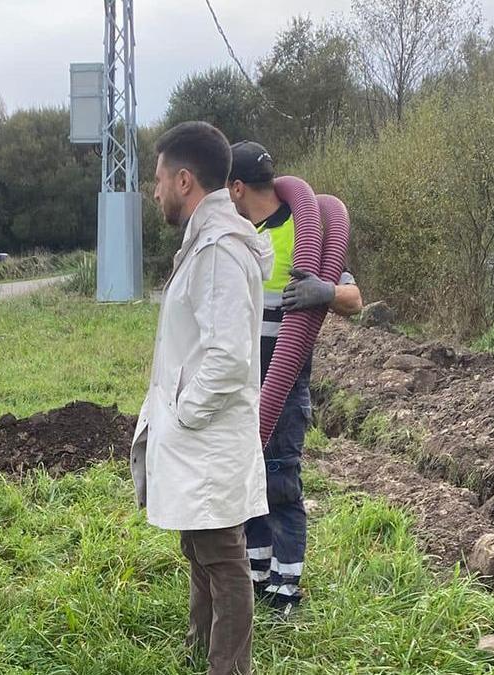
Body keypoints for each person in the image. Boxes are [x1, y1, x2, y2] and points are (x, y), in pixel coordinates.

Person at [130, 121, 273, 675]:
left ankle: (228, 667)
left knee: (222, 556)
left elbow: (228, 356)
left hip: (207, 436)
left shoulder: (218, 252)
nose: (155, 189)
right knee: (201, 548)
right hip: (199, 438)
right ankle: (200, 647)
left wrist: (184, 414)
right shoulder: (206, 245)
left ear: (184, 180)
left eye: (159, 178)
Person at [227, 140, 363, 615]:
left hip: (283, 388)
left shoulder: (306, 231)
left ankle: (287, 588)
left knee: (280, 481)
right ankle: (258, 575)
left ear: (238, 187)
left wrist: (324, 289)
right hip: (241, 387)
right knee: (249, 481)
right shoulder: (240, 235)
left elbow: (354, 299)